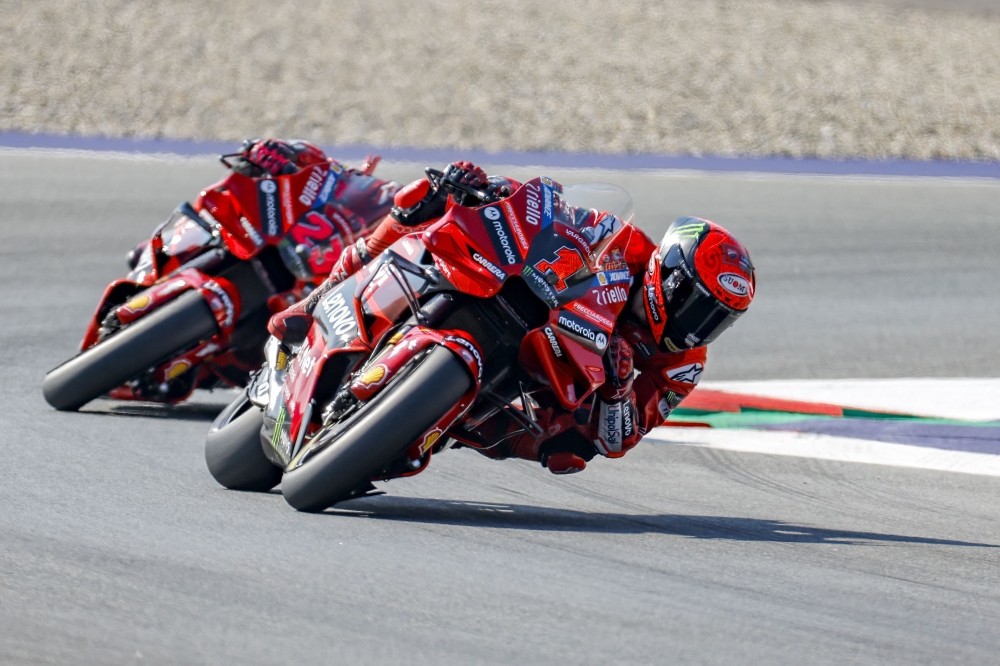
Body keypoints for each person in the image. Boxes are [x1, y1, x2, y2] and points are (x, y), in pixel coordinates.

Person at [267, 158, 756, 476]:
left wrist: (619, 389)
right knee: (422, 201)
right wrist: (492, 188)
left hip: (552, 381)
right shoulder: (625, 243)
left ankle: (432, 423)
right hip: (536, 310)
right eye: (697, 305)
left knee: (569, 451)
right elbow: (552, 213)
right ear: (667, 273)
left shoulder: (683, 365)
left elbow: (617, 440)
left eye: (717, 319)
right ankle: (312, 303)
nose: (699, 327)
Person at [232, 138, 400, 284]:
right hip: (262, 237)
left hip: (311, 277)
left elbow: (342, 176)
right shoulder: (313, 162)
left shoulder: (381, 230)